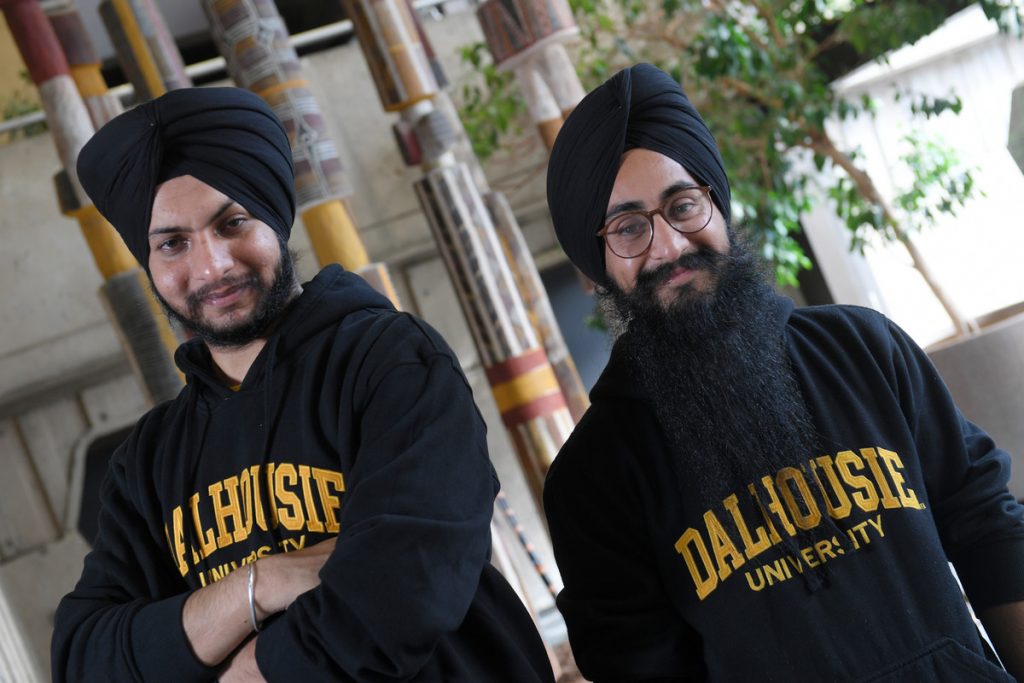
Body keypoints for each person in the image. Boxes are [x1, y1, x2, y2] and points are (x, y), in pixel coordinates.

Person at [51, 86, 554, 683]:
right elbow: (85, 660)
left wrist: (238, 665)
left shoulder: (388, 360)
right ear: (151, 263)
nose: (212, 266)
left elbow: (406, 583)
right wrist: (260, 584)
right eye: (173, 243)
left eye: (232, 223)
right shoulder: (150, 462)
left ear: (275, 216)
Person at [543, 63, 1024, 682]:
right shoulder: (592, 480)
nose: (670, 246)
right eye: (630, 228)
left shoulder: (863, 348)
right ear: (597, 264)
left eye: (683, 205)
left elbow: (987, 528)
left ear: (718, 207)